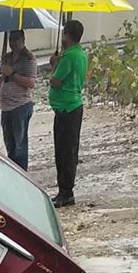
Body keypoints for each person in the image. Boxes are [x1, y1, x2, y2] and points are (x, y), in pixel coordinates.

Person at [48, 19, 88, 208]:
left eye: (63, 33)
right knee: (69, 150)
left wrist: (54, 64)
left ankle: (66, 192)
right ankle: (65, 191)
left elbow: (55, 81)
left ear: (67, 35)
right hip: (72, 107)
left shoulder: (69, 56)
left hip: (67, 109)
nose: (62, 36)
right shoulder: (80, 54)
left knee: (64, 151)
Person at [0, 29, 37, 171]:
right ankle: (13, 171)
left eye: (16, 40)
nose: (13, 43)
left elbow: (31, 82)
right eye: (11, 40)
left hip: (20, 106)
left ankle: (21, 172)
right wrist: (2, 77)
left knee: (20, 145)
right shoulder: (7, 57)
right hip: (6, 107)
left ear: (23, 40)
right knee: (10, 144)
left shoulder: (29, 58)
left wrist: (12, 74)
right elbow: (0, 76)